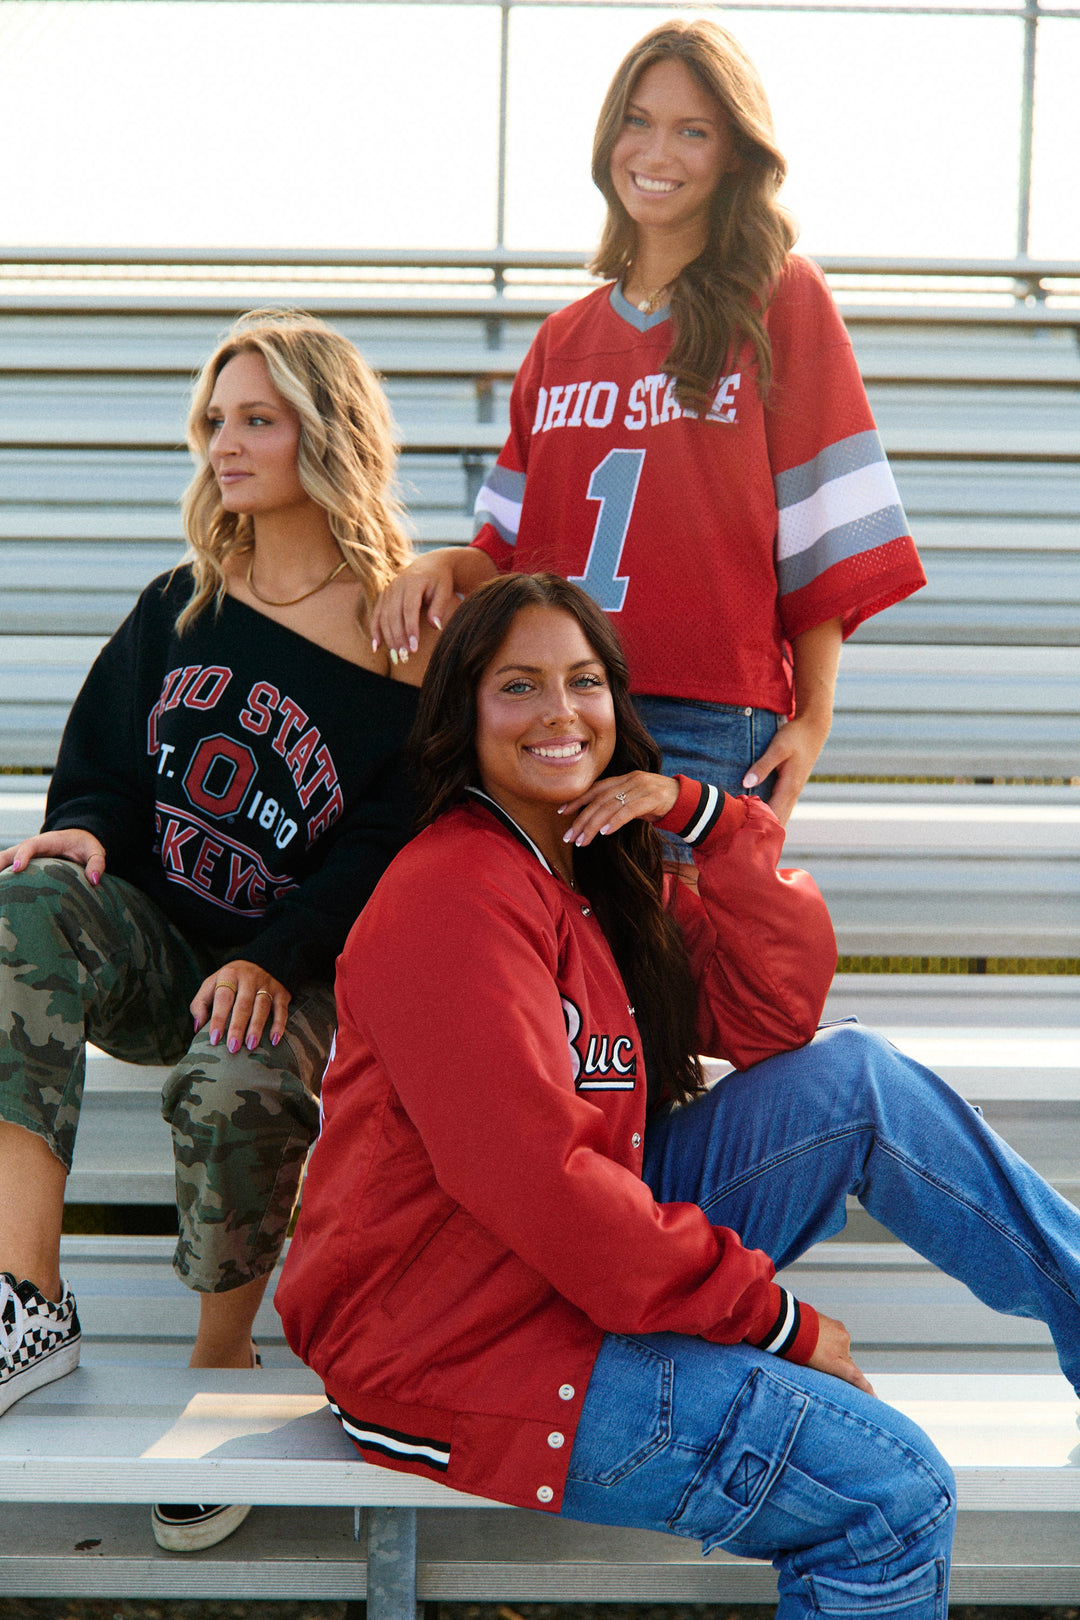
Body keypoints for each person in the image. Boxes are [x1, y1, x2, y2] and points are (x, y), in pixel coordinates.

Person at [279, 572, 1080, 1619]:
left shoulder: (589, 871)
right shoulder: (451, 898)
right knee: (891, 1494)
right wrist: (780, 1322)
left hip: (556, 1266)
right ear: (462, 716)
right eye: (519, 687)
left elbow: (775, 1011)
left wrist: (704, 815)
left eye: (582, 683)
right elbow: (541, 1187)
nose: (561, 714)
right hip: (451, 1341)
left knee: (859, 1083)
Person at [0, 309, 435, 1551]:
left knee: (235, 1072)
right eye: (214, 420)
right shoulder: (180, 604)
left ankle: (220, 1367)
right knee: (23, 902)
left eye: (255, 419)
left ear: (326, 432)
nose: (222, 444)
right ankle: (24, 1303)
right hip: (165, 945)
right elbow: (101, 770)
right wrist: (81, 830)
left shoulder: (395, 637)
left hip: (302, 972)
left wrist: (276, 958)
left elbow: (380, 847)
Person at [370, 18, 926, 826]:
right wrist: (445, 562)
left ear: (735, 152)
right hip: (562, 716)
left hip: (708, 719)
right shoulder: (563, 338)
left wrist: (813, 717)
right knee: (553, 952)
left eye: (691, 131)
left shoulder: (781, 299)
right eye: (639, 121)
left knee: (679, 955)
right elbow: (515, 562)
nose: (656, 153)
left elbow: (825, 530)